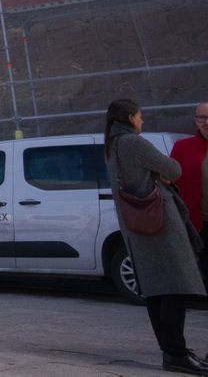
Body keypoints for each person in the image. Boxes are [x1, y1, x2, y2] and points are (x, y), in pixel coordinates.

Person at [106, 98, 208, 374]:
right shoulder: (133, 143)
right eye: (140, 116)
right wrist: (160, 174)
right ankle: (176, 353)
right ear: (129, 117)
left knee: (156, 290)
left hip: (138, 226)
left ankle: (172, 351)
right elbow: (174, 169)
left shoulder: (112, 146)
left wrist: (154, 172)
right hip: (159, 224)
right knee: (175, 286)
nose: (142, 120)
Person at [169, 102, 208, 285]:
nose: (206, 121)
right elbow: (171, 184)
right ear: (196, 121)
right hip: (199, 224)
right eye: (202, 117)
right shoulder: (183, 148)